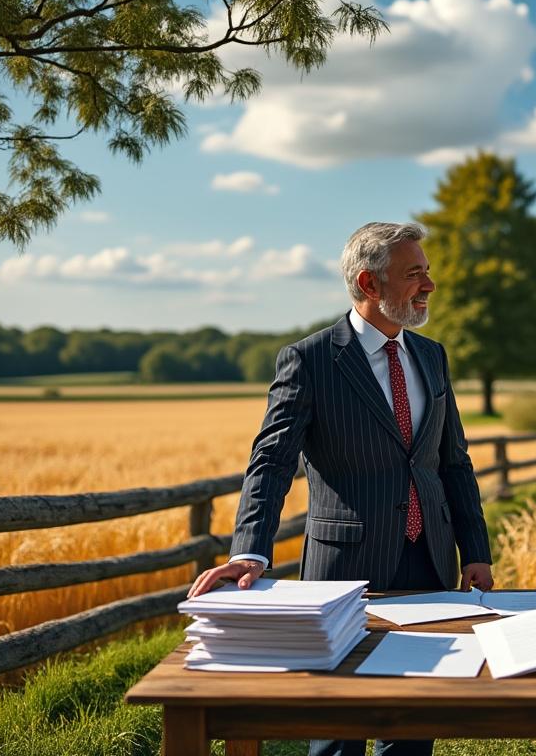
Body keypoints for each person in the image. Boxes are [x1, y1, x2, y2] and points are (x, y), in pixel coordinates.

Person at [189, 221, 493, 756]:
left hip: (430, 565)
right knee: (337, 731)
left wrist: (476, 551)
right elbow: (271, 463)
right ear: (369, 284)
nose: (429, 285)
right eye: (414, 274)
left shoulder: (431, 355)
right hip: (341, 575)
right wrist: (250, 552)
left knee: (413, 726)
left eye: (427, 272)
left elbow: (454, 463)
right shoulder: (309, 360)